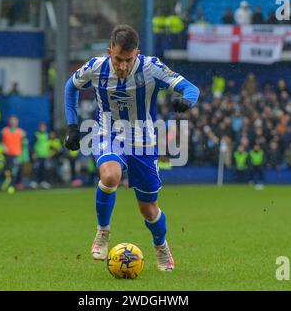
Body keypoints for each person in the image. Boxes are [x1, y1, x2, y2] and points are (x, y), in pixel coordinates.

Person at [64, 25, 199, 271]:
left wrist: (186, 100)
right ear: (109, 52)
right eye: (118, 59)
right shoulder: (96, 67)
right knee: (110, 175)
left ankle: (160, 245)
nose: (123, 66)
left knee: (148, 209)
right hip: (108, 133)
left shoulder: (151, 68)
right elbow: (70, 86)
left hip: (143, 140)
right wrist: (73, 126)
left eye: (128, 60)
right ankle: (102, 232)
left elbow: (192, 88)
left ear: (137, 53)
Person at [1, 116, 25, 193]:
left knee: (14, 170)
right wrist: (3, 148)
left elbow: (24, 144)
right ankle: (7, 180)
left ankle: (12, 185)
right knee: (6, 169)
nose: (13, 122)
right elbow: (1, 142)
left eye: (14, 121)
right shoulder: (5, 131)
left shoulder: (21, 132)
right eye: (12, 121)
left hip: (16, 154)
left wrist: (24, 154)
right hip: (7, 153)